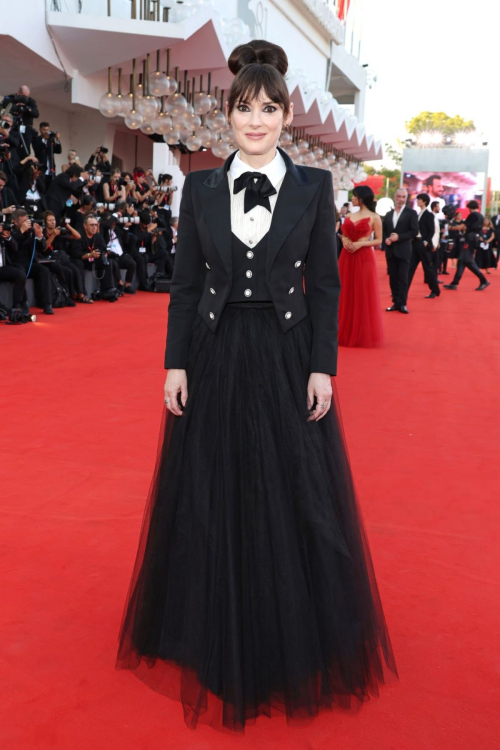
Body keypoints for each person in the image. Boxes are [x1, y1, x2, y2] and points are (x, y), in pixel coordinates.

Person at [116, 39, 397, 733]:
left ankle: (288, 639)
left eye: (270, 109)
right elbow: (183, 287)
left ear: (284, 115)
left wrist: (322, 366)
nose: (258, 120)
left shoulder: (312, 187)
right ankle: (206, 634)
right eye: (246, 108)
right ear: (229, 113)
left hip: (283, 354)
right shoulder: (201, 187)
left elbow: (326, 286)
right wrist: (174, 362)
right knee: (210, 491)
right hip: (212, 356)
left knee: (290, 494)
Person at [338, 185, 384, 347]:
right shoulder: (350, 215)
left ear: (362, 198)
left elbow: (379, 240)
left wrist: (361, 245)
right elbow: (343, 235)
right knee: (345, 291)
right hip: (346, 257)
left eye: (354, 196)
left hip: (364, 256)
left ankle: (360, 333)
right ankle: (342, 329)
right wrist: (344, 240)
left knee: (362, 293)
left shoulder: (374, 217)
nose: (352, 198)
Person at [8, 208, 54, 314]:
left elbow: (42, 247)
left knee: (44, 270)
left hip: (29, 262)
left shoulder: (31, 231)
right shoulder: (11, 231)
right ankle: (23, 304)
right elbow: (13, 246)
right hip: (15, 263)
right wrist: (21, 231)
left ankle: (47, 304)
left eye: (27, 220)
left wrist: (39, 236)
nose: (26, 223)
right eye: (23, 221)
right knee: (20, 274)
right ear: (15, 221)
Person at [382, 187, 419, 313]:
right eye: (399, 197)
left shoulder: (411, 213)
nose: (401, 199)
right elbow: (384, 230)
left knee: (403, 278)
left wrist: (399, 237)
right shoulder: (388, 214)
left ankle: (402, 303)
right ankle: (395, 303)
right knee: (393, 278)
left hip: (404, 250)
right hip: (391, 251)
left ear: (406, 198)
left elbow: (414, 232)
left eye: (403, 197)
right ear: (395, 197)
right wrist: (386, 239)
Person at [444, 201, 490, 291]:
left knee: (468, 261)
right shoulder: (480, 216)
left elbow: (462, 227)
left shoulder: (472, 215)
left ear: (470, 207)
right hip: (473, 238)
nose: (468, 210)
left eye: (468, 208)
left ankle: (484, 280)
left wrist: (451, 227)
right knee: (461, 260)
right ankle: (454, 283)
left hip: (470, 239)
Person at [407, 193, 441, 299]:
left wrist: (426, 242)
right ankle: (403, 290)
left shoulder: (429, 215)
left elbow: (432, 231)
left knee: (427, 268)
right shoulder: (418, 214)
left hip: (423, 244)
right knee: (410, 268)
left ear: (425, 201)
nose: (417, 201)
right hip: (415, 243)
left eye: (419, 200)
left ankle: (435, 290)